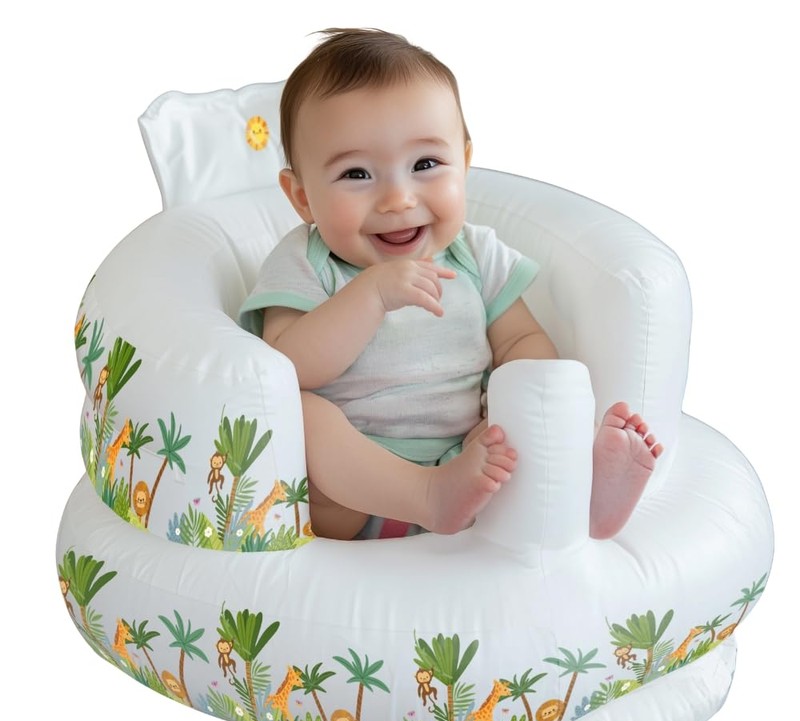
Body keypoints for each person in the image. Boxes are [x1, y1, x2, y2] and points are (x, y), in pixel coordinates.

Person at [240, 28, 662, 541]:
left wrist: (524, 401)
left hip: (474, 465)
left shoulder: (475, 254)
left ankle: (581, 501)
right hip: (354, 492)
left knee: (540, 395)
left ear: (463, 163)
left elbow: (520, 339)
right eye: (356, 174)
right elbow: (286, 365)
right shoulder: (306, 261)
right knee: (302, 416)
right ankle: (427, 494)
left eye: (425, 165)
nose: (398, 199)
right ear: (303, 197)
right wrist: (370, 295)